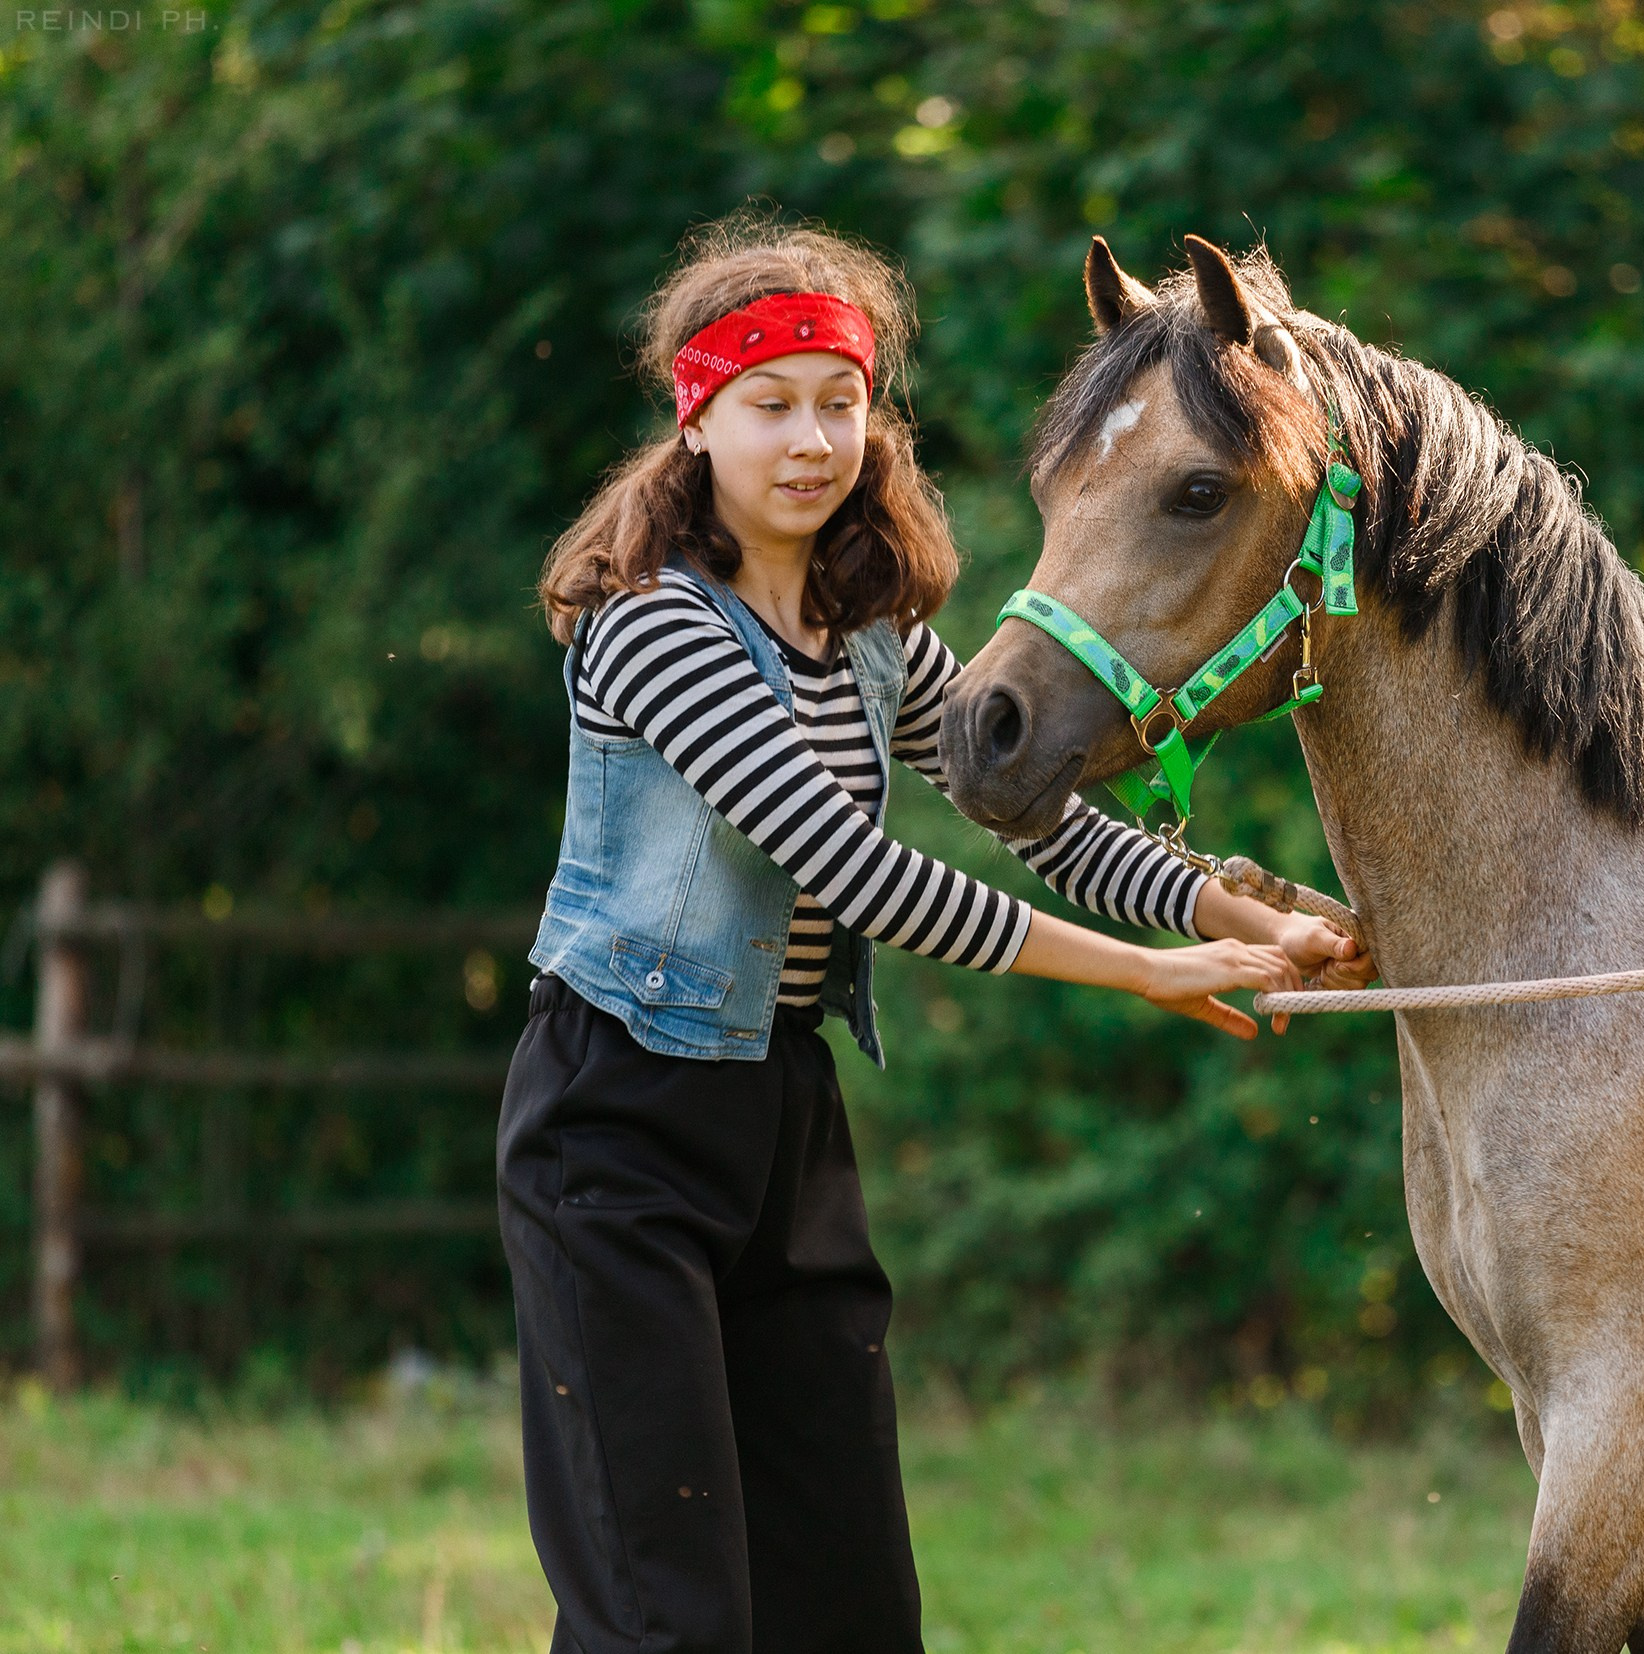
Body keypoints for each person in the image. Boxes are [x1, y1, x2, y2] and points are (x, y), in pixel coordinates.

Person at [497, 212, 1370, 1654]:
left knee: (852, 1610)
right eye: (769, 406)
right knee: (670, 1618)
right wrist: (1146, 973)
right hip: (617, 1128)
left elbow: (1029, 810)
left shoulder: (871, 625)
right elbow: (861, 869)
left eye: (838, 403)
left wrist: (1213, 901)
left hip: (782, 1117)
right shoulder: (651, 624)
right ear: (697, 421)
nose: (810, 439)